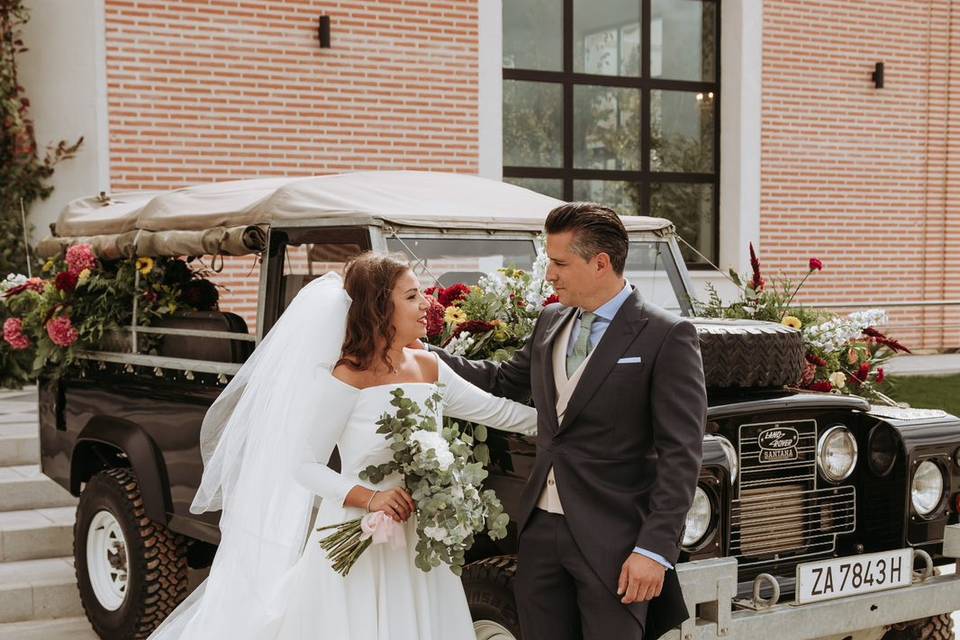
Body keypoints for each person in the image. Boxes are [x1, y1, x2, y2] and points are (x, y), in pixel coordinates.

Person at [147, 253, 536, 640]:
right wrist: (371, 498)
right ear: (381, 307)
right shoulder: (346, 376)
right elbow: (303, 464)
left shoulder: (428, 365)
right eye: (413, 296)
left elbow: (497, 411)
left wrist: (571, 422)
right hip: (360, 532)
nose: (428, 305)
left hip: (422, 535)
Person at [432, 202, 707, 640]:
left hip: (614, 538)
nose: (549, 275)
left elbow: (681, 454)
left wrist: (655, 549)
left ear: (600, 263)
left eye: (559, 263)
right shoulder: (550, 321)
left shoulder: (666, 335)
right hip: (540, 531)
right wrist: (426, 359)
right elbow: (504, 380)